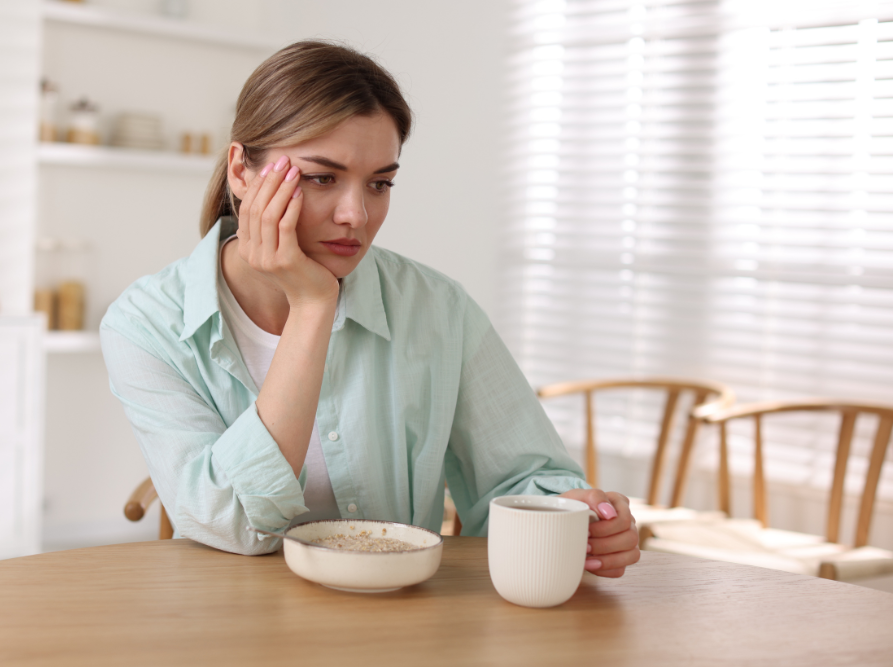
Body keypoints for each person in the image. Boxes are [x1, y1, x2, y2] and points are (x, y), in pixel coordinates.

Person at [101, 40, 640, 577]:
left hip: (400, 624)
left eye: (380, 183)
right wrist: (312, 306)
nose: (356, 214)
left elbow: (520, 480)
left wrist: (580, 515)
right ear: (242, 172)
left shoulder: (438, 309)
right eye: (321, 178)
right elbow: (234, 521)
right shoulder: (147, 324)